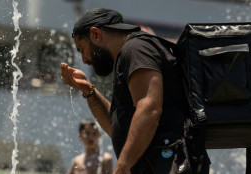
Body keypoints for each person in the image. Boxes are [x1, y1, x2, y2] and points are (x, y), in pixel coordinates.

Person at [61, 8, 210, 173]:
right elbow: (117, 128)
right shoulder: (127, 57)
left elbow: (149, 109)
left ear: (96, 34)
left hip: (171, 164)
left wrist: (123, 167)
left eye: (82, 49)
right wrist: (89, 91)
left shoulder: (136, 49)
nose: (84, 59)